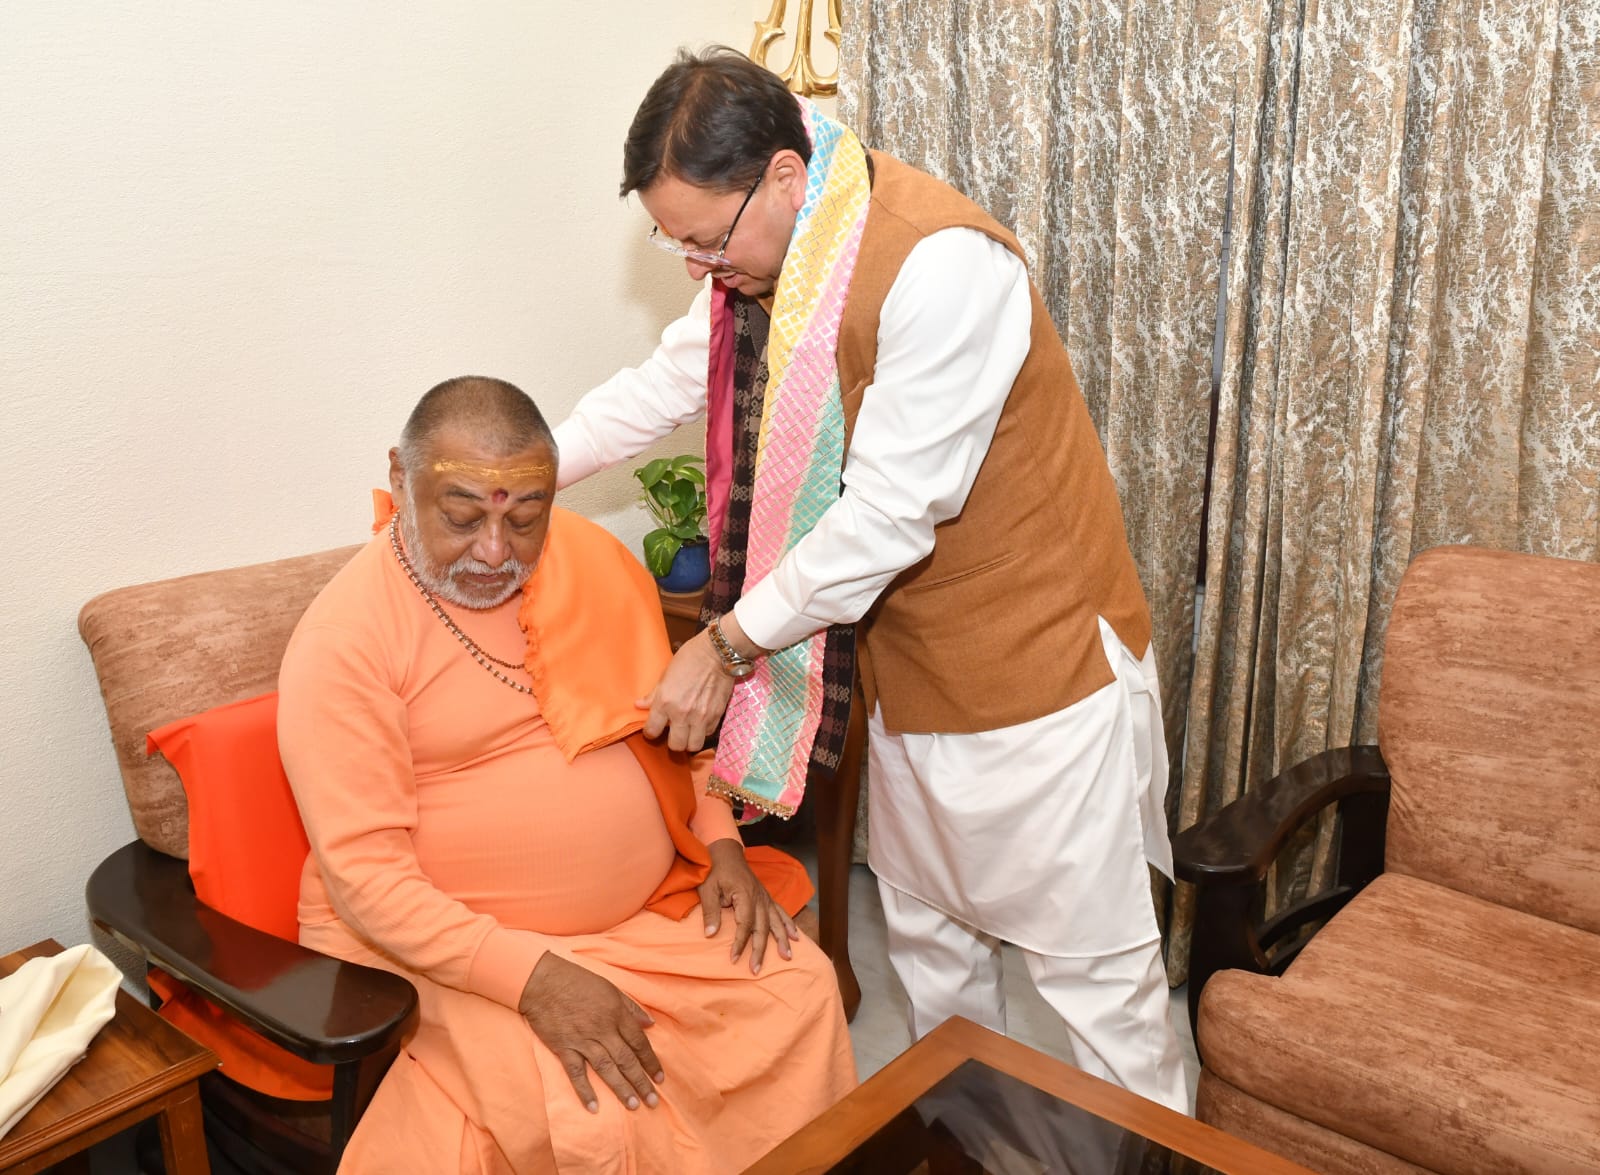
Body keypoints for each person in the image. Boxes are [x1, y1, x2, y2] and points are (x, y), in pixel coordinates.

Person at [553, 48, 1188, 1112]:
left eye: (707, 241)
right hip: (898, 672)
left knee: (1097, 988)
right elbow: (662, 385)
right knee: (934, 957)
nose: (699, 269)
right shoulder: (769, 260)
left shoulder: (941, 265)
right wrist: (521, 465)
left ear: (784, 178)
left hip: (1034, 672)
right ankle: (972, 1145)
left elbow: (889, 515)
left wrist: (725, 644)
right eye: (678, 244)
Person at [277, 376, 856, 1173]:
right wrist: (536, 979)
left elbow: (672, 735)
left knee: (797, 986)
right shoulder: (344, 640)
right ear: (400, 478)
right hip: (441, 948)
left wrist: (721, 841)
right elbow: (368, 880)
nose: (495, 552)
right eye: (462, 517)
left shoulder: (590, 562)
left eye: (524, 518)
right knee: (597, 1107)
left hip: (639, 916)